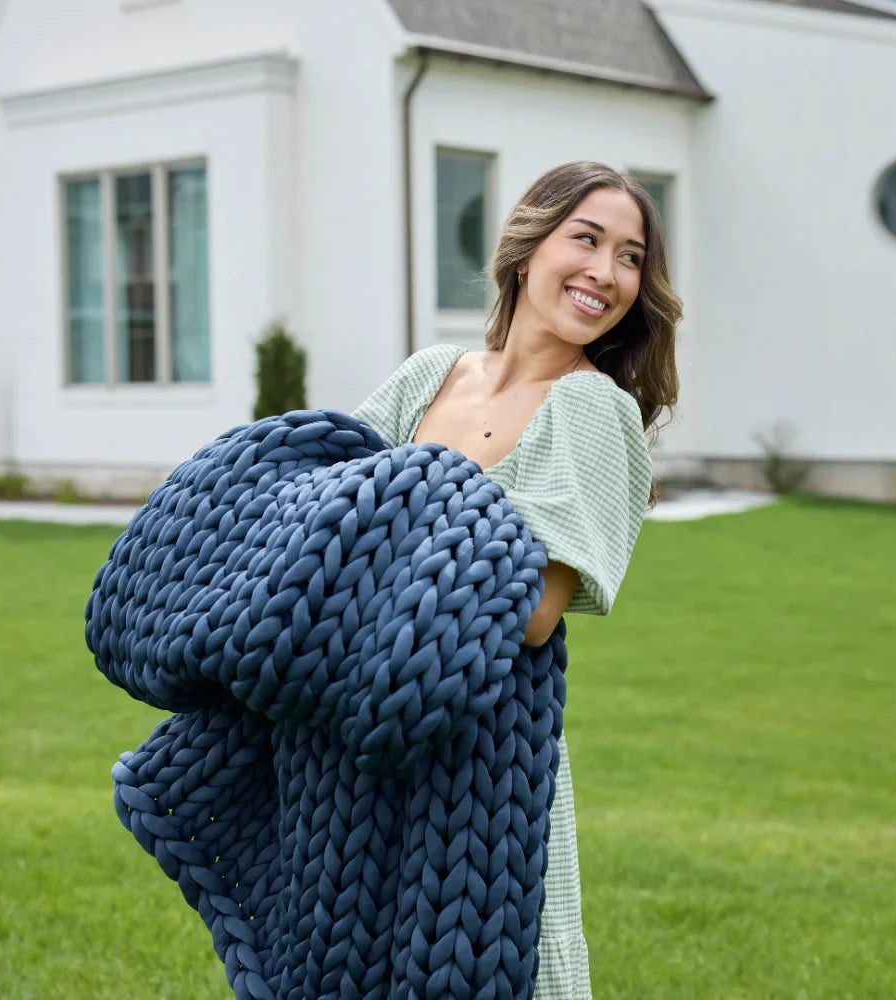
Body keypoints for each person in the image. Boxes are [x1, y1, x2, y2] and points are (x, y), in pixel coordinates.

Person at [352, 160, 682, 999]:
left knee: (485, 967)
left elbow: (530, 612)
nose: (606, 273)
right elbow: (319, 521)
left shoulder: (595, 410)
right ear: (530, 245)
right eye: (588, 238)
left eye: (632, 257)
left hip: (486, 762)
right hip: (359, 731)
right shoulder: (428, 376)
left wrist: (385, 545)